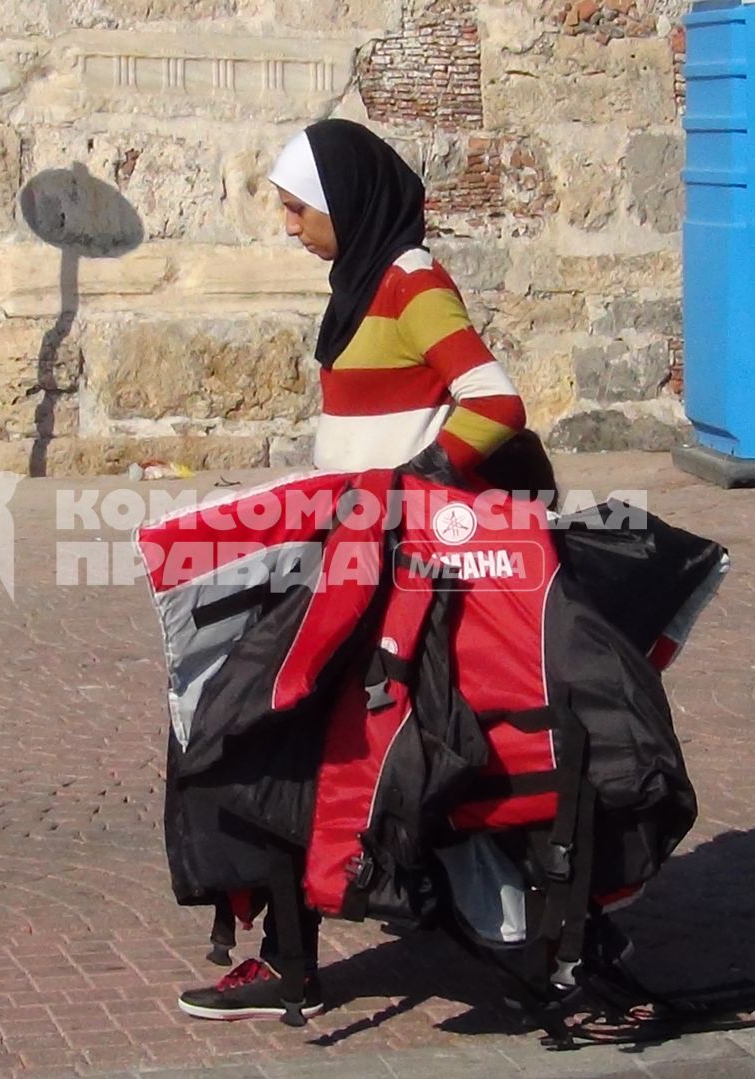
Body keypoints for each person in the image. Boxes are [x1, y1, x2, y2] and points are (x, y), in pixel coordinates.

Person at [175, 118, 538, 1022]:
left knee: (284, 741)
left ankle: (302, 957)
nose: (290, 227)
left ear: (347, 201)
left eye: (300, 210)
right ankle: (282, 957)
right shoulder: (359, 287)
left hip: (393, 570)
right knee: (276, 743)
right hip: (343, 554)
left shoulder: (410, 280)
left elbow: (494, 399)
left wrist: (414, 485)